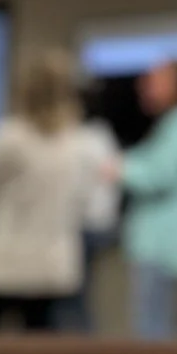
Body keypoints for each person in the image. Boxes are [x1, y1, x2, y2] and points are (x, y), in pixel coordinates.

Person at [0, 50, 90, 331]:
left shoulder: (5, 137)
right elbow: (83, 201)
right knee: (39, 347)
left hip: (6, 262)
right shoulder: (79, 142)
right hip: (52, 266)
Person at [116, 59, 177, 340]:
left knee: (154, 330)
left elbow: (158, 175)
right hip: (160, 242)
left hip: (164, 243)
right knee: (152, 324)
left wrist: (117, 168)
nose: (145, 87)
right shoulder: (174, 124)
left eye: (156, 81)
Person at [58, 80, 120, 331]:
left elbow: (76, 188)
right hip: (103, 222)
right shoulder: (103, 134)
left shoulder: (80, 138)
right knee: (78, 297)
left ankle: (82, 344)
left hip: (86, 225)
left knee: (74, 299)